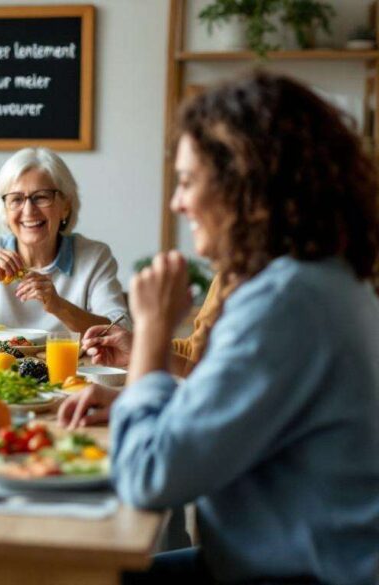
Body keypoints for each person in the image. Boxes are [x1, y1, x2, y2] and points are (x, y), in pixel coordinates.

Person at [112, 72, 379, 584]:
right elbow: (231, 416)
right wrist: (155, 394)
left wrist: (149, 333)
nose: (177, 202)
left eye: (188, 181)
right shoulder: (321, 281)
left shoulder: (285, 303)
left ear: (243, 181)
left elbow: (145, 477)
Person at [0, 147, 128, 334]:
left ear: (66, 205)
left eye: (41, 196)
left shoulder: (94, 257)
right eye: (16, 199)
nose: (28, 211)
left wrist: (58, 305)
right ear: (5, 210)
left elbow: (119, 331)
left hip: (69, 377)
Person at [57, 275, 230, 429]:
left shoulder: (247, 288)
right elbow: (194, 354)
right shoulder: (229, 273)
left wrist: (150, 331)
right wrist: (138, 347)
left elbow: (214, 393)